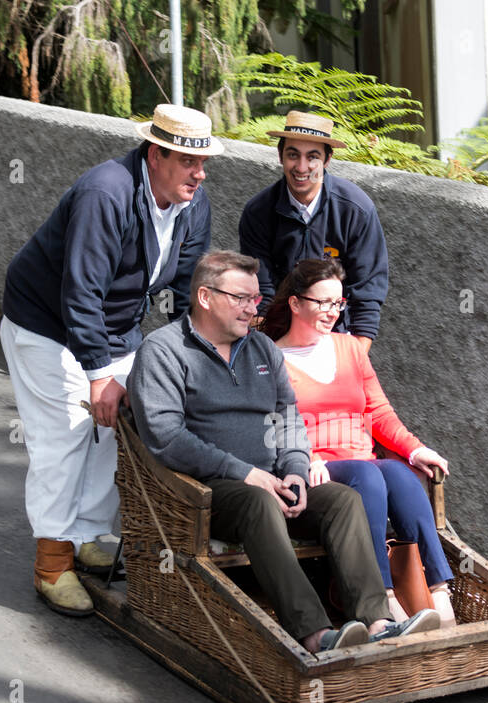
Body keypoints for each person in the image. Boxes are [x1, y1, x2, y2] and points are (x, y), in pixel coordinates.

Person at [128, 250, 439, 653]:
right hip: (206, 491)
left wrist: (294, 468)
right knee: (258, 501)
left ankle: (377, 620)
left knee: (343, 499)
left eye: (255, 298)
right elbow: (166, 437)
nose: (251, 308)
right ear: (204, 297)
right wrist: (245, 473)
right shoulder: (164, 351)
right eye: (240, 298)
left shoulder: (262, 350)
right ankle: (313, 633)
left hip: (273, 481)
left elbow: (289, 419)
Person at [0, 104, 218, 617]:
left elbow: (190, 290)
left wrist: (198, 353)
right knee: (68, 430)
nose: (200, 172)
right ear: (156, 153)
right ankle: (52, 561)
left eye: (204, 161)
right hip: (46, 322)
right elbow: (81, 292)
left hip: (117, 325)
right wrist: (99, 374)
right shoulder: (107, 192)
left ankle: (89, 535)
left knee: (118, 425)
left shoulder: (194, 203)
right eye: (189, 160)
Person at [257, 258, 456, 625]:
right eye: (322, 302)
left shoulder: (350, 348)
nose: (332, 312)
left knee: (399, 474)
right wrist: (305, 458)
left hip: (365, 461)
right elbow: (272, 423)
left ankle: (438, 592)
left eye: (338, 303)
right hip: (317, 466)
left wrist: (415, 448)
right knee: (369, 477)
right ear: (296, 303)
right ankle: (382, 596)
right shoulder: (272, 358)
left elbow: (378, 411)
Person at [238, 111, 388, 353]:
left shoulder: (356, 209)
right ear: (280, 156)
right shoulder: (258, 212)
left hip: (338, 337)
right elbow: (261, 293)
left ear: (328, 160)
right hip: (278, 339)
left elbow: (367, 296)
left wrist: (355, 360)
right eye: (293, 155)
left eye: (313, 157)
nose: (302, 167)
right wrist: (273, 358)